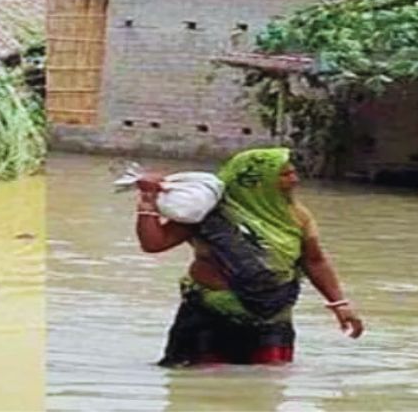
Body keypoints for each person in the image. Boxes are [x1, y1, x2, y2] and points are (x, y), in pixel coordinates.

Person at [134, 147, 363, 366]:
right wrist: (148, 200)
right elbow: (154, 244)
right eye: (285, 174)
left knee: (264, 389)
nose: (294, 180)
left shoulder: (297, 215)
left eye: (293, 173)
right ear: (254, 181)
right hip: (209, 316)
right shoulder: (208, 213)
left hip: (272, 317)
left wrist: (339, 304)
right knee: (198, 390)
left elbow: (314, 260)